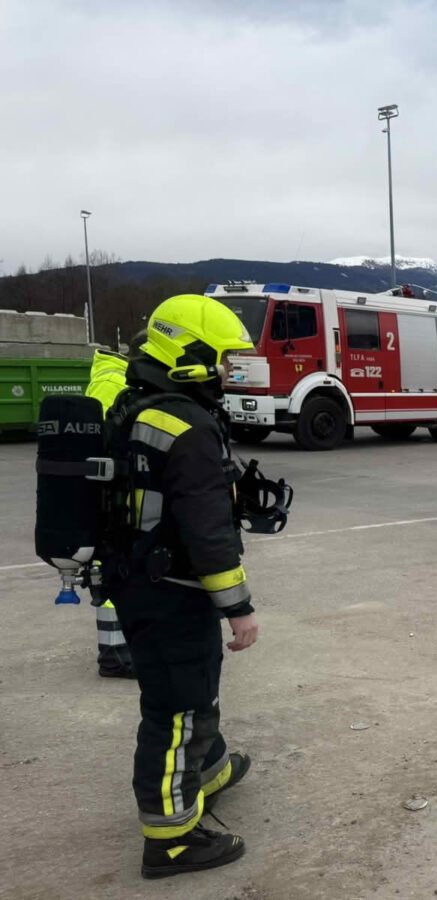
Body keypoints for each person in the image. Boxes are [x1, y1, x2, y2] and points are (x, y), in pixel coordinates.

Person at [102, 296, 258, 878]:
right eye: (223, 359)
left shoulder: (137, 404)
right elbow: (207, 530)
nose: (228, 371)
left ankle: (209, 772)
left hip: (138, 581)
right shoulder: (188, 424)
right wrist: (238, 607)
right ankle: (171, 840)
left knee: (191, 688)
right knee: (177, 710)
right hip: (171, 589)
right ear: (190, 354)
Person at [83, 330, 147, 678]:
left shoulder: (115, 378)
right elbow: (109, 442)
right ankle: (114, 655)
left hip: (112, 492)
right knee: (113, 568)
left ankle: (123, 648)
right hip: (111, 495)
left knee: (120, 569)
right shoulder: (113, 383)